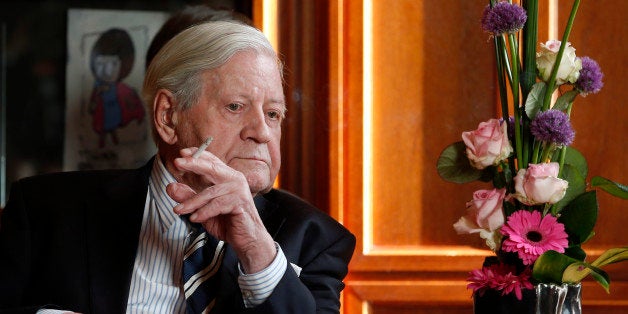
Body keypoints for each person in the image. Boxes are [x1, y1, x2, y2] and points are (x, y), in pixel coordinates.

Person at [0, 20, 355, 314]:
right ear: (168, 116)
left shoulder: (315, 240)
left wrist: (257, 251)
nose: (262, 132)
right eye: (235, 106)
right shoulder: (45, 211)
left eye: (273, 114)